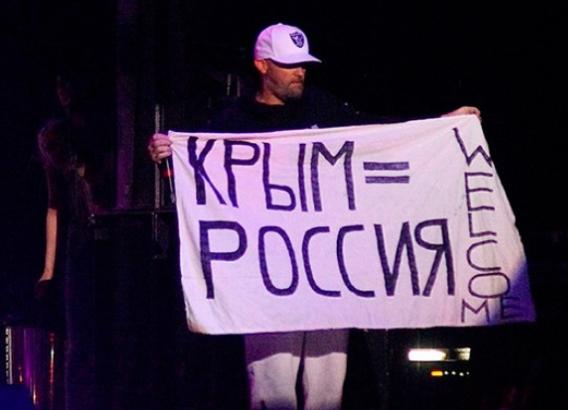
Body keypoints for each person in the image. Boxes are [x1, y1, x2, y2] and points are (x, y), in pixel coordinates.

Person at [148, 22, 480, 410]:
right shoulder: (235, 121)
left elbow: (380, 135)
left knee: (327, 393)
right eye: (289, 64)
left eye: (303, 64)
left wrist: (441, 124)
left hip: (328, 275)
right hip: (267, 278)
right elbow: (199, 170)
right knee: (272, 390)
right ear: (261, 65)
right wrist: (168, 153)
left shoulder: (322, 107)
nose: (300, 72)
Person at [37, 73, 111, 410]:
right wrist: (48, 270)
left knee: (104, 332)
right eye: (60, 85)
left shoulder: (100, 129)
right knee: (78, 338)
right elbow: (53, 206)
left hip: (110, 237)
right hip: (80, 240)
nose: (64, 91)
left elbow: (102, 186)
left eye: (69, 83)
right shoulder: (55, 136)